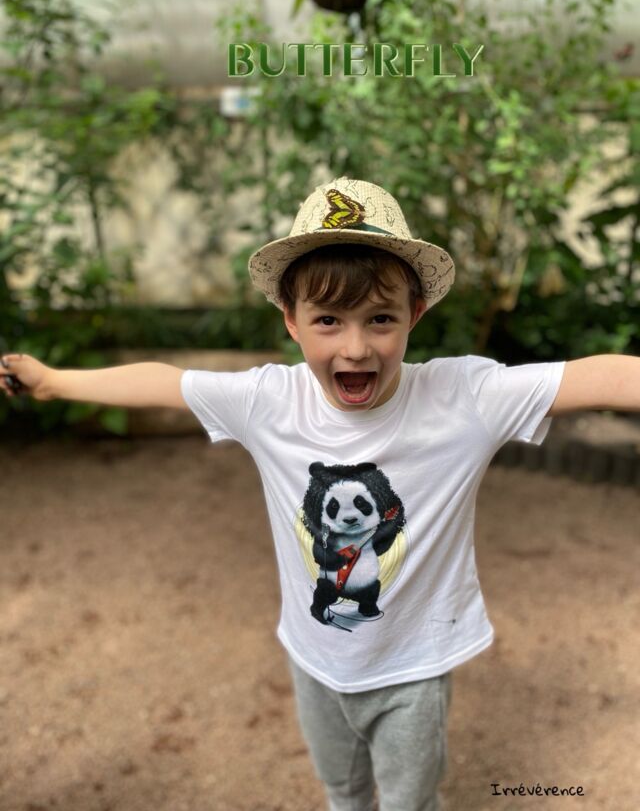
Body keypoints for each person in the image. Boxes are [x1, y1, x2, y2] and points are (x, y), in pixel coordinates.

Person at [2, 177, 638, 811]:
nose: (355, 348)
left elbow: (596, 376)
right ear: (292, 321)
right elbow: (169, 384)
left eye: (380, 319)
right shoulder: (270, 400)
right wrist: (53, 382)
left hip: (413, 670)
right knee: (342, 793)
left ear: (415, 315)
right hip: (313, 660)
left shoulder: (463, 398)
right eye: (328, 320)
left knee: (409, 803)